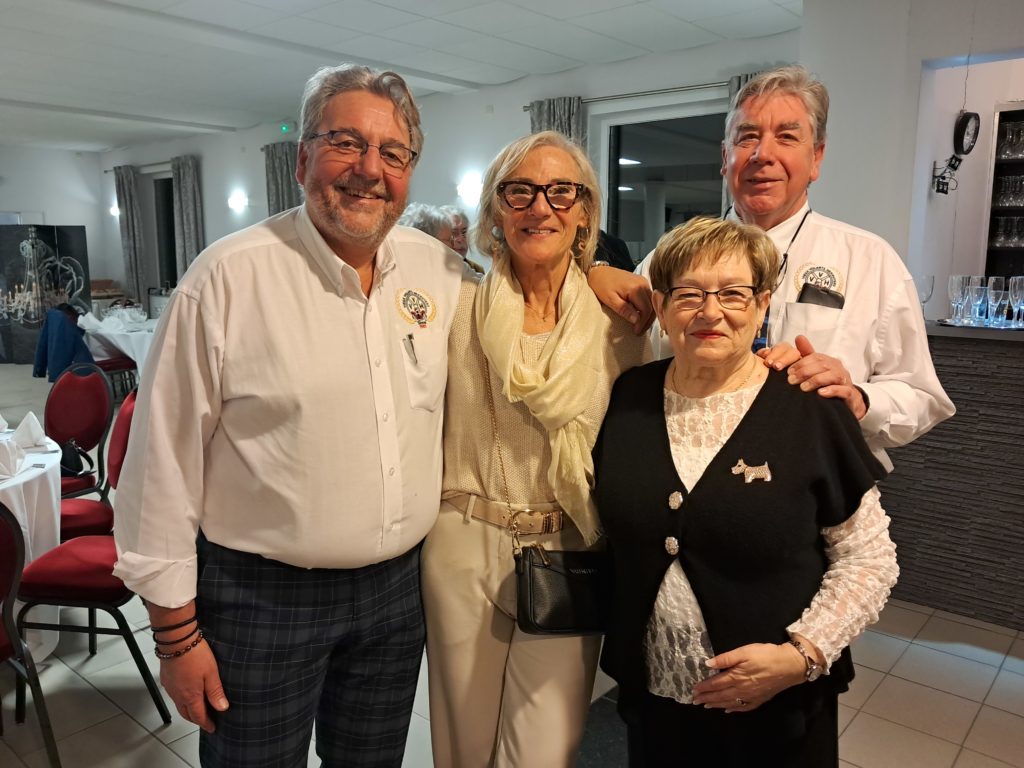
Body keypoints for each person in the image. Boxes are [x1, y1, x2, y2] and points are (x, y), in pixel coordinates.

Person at [112, 64, 468, 767]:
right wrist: (176, 637)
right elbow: (160, 469)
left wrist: (603, 278)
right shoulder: (226, 279)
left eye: (393, 153)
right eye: (346, 142)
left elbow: (530, 300)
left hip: (397, 597)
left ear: (409, 172)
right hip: (260, 600)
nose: (370, 170)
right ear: (303, 158)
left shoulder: (440, 272)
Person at [594, 216, 899, 767]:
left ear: (762, 305)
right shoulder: (628, 398)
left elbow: (868, 558)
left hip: (776, 711)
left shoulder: (810, 407)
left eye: (733, 294)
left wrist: (802, 655)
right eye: (688, 293)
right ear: (660, 306)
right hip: (656, 702)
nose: (710, 312)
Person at [421, 131, 648, 767]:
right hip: (462, 540)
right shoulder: (456, 305)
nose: (540, 206)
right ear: (496, 209)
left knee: (547, 749)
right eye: (519, 191)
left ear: (584, 211)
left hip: (569, 544)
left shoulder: (620, 323)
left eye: (560, 192)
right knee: (462, 746)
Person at [636, 65, 954, 468]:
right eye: (747, 137)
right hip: (687, 474)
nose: (762, 154)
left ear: (816, 157)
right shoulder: (665, 261)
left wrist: (859, 398)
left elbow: (922, 396)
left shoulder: (870, 261)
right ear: (725, 157)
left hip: (818, 484)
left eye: (786, 137)